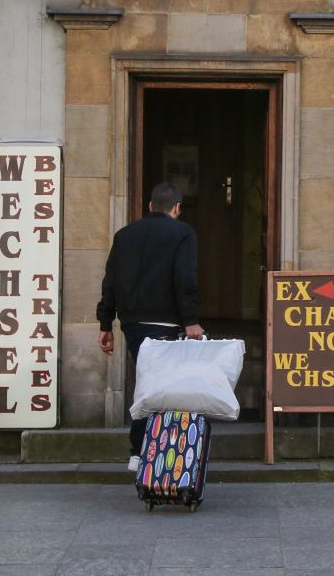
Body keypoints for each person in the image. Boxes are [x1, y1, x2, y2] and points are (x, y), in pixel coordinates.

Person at [97, 181, 204, 471]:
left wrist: (105, 322)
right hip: (167, 322)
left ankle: (142, 450)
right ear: (177, 208)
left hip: (132, 322)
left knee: (148, 380)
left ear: (150, 206)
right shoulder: (183, 233)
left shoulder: (124, 235)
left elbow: (110, 281)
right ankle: (148, 451)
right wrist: (191, 320)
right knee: (159, 386)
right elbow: (185, 278)